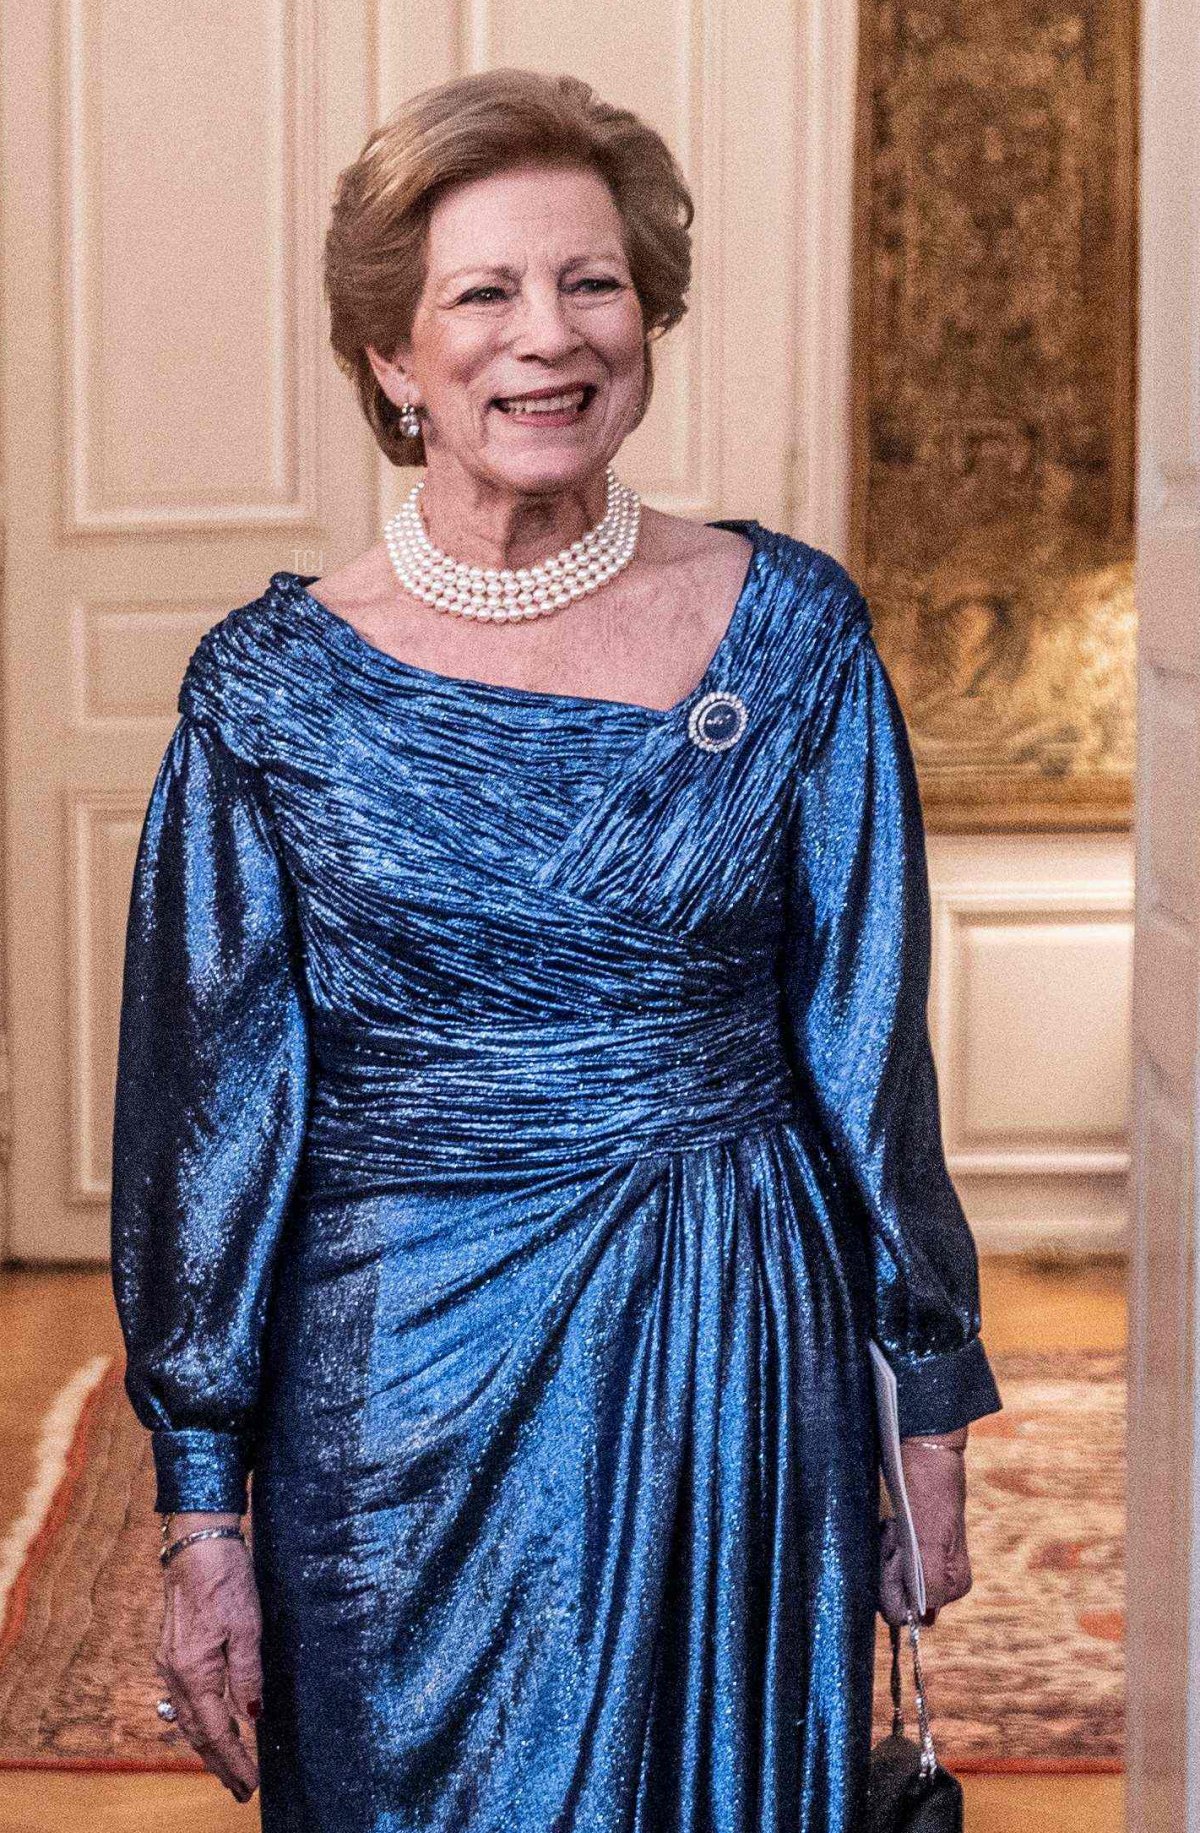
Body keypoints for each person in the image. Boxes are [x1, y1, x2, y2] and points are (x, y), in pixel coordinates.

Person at [110, 65, 1002, 1832]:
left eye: (592, 282)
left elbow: (865, 1049)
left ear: (648, 310)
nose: (551, 338)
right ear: (390, 355)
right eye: (485, 293)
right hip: (392, 1405)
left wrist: (928, 1394)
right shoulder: (266, 696)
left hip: (726, 1346)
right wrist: (205, 1511)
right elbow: (209, 1138)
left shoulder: (795, 631)